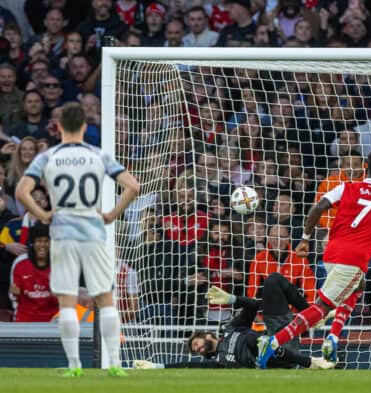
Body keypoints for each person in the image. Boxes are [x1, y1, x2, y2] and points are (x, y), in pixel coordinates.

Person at [15, 102, 140, 377]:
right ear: (85, 127)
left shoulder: (48, 157)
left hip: (62, 233)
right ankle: (116, 365)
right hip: (94, 232)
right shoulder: (98, 154)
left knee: (67, 301)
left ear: (58, 128)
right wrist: (112, 214)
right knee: (106, 298)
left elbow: (22, 191)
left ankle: (74, 366)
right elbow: (133, 186)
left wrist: (43, 214)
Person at [255, 149, 371, 369]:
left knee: (358, 286)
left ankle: (333, 338)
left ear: (366, 167)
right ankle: (274, 342)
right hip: (354, 258)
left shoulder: (347, 186)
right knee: (322, 307)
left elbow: (318, 207)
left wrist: (305, 239)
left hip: (332, 252)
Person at [133, 273, 335, 370]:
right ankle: (309, 362)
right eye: (197, 351)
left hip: (279, 334)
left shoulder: (231, 328)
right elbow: (188, 364)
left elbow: (254, 306)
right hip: (275, 356)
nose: (199, 350)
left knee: (272, 280)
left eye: (197, 344)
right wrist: (157, 367)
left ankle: (312, 315)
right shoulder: (220, 362)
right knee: (253, 341)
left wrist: (232, 299)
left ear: (208, 335)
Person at [9, 221, 57, 322]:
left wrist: (57, 295)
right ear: (33, 243)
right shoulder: (20, 263)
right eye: (39, 241)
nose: (43, 245)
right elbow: (13, 298)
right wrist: (14, 293)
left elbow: (67, 299)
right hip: (25, 320)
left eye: (46, 241)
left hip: (53, 321)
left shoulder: (59, 264)